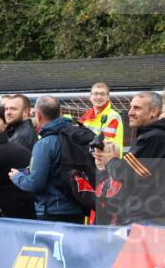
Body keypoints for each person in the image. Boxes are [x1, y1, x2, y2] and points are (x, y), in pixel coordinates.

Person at [10, 96, 86, 223]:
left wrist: (17, 177)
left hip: (53, 211)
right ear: (60, 112)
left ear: (38, 115)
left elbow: (35, 183)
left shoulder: (44, 144)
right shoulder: (74, 136)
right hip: (77, 209)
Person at [94, 91, 165, 226]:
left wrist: (110, 159)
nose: (130, 112)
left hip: (149, 218)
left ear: (154, 112)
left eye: (137, 108)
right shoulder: (152, 135)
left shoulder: (154, 137)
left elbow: (127, 174)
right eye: (131, 107)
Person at [80, 82, 124, 152]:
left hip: (107, 157)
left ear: (108, 97)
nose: (99, 97)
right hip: (87, 157)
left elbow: (107, 144)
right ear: (90, 96)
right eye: (96, 94)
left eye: (102, 94)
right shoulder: (85, 117)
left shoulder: (113, 116)